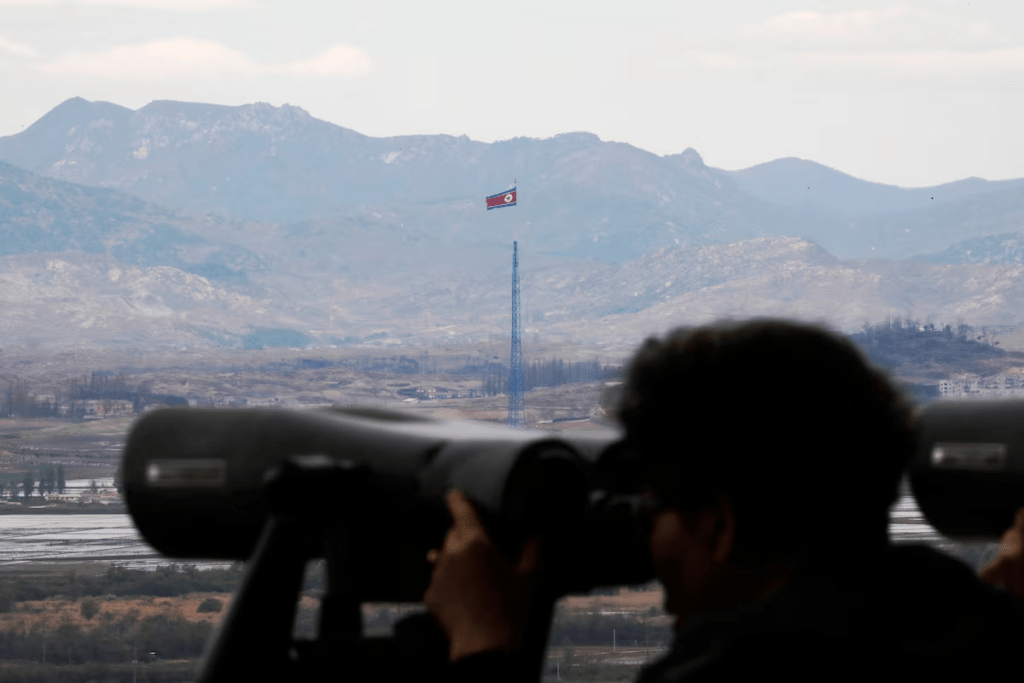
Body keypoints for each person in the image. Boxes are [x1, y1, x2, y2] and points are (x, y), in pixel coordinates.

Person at [423, 318, 1024, 682]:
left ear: (720, 525)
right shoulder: (972, 622)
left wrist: (483, 645)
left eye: (658, 507)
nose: (646, 534)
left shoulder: (733, 673)